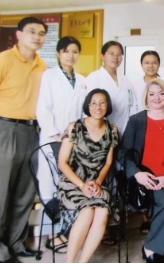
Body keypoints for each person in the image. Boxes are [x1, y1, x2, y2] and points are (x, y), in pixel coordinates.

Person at [0, 17, 48, 262]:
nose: (37, 36)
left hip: (31, 131)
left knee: (24, 192)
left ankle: (15, 243)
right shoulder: (1, 60)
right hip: (3, 128)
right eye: (32, 31)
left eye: (41, 33)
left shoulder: (42, 65)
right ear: (19, 35)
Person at [119, 79, 164, 264]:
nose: (157, 98)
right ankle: (150, 249)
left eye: (161, 93)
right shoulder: (136, 120)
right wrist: (137, 174)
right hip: (145, 176)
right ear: (146, 98)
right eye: (152, 94)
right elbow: (124, 152)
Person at [36, 36, 86, 250]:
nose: (71, 56)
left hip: (73, 141)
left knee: (68, 185)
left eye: (75, 52)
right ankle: (51, 234)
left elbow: (83, 111)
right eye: (66, 51)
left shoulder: (82, 80)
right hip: (53, 138)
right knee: (50, 185)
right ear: (58, 53)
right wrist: (56, 133)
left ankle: (66, 232)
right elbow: (43, 108)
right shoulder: (48, 76)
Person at [57, 89, 118, 264]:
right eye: (94, 103)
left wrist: (98, 183)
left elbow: (108, 163)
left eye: (102, 103)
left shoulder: (112, 130)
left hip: (96, 183)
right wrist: (82, 185)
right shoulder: (74, 127)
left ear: (108, 106)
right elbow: (62, 163)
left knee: (102, 212)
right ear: (88, 105)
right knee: (87, 211)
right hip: (72, 183)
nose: (98, 107)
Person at [83, 41, 138, 134]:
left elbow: (133, 106)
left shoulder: (126, 81)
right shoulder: (93, 78)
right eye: (111, 53)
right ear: (102, 56)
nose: (115, 57)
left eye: (119, 54)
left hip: (125, 130)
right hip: (100, 132)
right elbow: (88, 108)